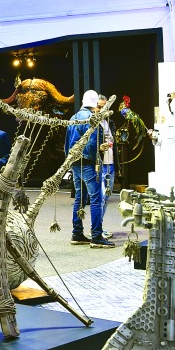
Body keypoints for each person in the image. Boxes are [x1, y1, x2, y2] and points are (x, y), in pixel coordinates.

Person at [66, 91, 115, 248]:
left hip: (75, 163)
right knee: (96, 199)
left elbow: (67, 143)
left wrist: (69, 161)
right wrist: (98, 154)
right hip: (88, 163)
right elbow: (93, 143)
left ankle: (77, 233)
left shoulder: (73, 118)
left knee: (79, 198)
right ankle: (96, 236)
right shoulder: (92, 118)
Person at [97, 94, 116, 199]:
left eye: (104, 107)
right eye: (99, 107)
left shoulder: (109, 123)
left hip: (110, 162)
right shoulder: (93, 123)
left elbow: (113, 142)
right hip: (100, 163)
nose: (102, 110)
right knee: (100, 197)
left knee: (107, 196)